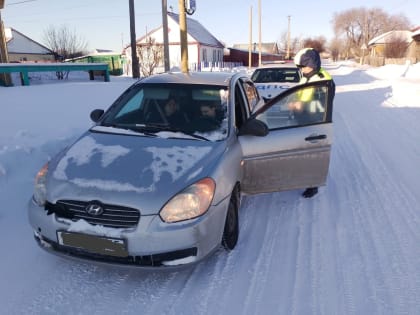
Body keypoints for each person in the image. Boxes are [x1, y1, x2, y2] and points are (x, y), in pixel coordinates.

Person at [289, 48, 335, 198]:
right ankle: (304, 177)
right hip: (303, 121)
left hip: (314, 125)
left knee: (312, 156)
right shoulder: (308, 76)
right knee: (302, 154)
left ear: (311, 64)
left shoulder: (321, 80)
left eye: (302, 66)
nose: (300, 70)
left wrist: (301, 106)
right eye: (299, 67)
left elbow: (322, 106)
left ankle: (312, 185)